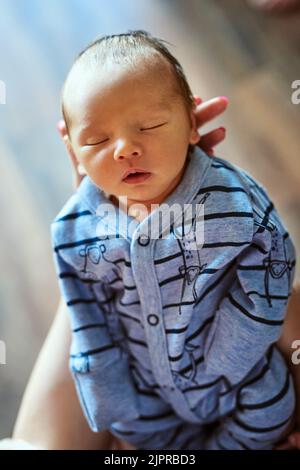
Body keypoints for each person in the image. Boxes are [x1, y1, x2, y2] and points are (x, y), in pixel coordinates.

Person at [6, 34, 300, 450]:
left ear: (192, 125)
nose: (125, 148)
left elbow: (271, 267)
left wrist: (229, 357)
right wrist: (106, 385)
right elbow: (84, 314)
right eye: (97, 141)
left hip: (238, 377)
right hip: (142, 387)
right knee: (130, 429)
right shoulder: (75, 229)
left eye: (150, 126)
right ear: (73, 151)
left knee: (271, 409)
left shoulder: (230, 204)